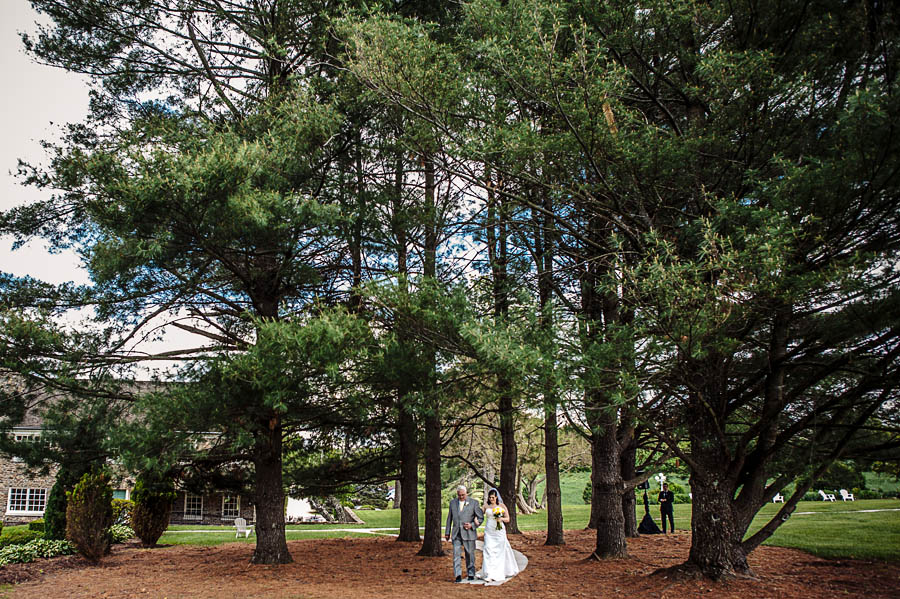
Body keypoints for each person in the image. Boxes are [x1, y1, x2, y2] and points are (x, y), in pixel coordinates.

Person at [477, 488, 520, 582]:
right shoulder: (486, 506)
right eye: (490, 497)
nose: (491, 499)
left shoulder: (502, 506)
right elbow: (479, 514)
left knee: (499, 551)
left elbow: (508, 518)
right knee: (488, 549)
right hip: (489, 531)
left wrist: (501, 519)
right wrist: (475, 520)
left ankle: (499, 571)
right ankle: (488, 573)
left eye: (493, 497)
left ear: (496, 497)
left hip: (499, 531)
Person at [445, 485, 483, 582]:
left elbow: (480, 518)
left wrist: (472, 525)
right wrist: (447, 532)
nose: (461, 497)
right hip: (456, 533)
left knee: (470, 554)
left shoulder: (474, 503)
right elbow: (449, 518)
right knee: (456, 554)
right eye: (459, 495)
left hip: (468, 533)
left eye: (463, 495)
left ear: (466, 493)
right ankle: (458, 574)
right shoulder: (453, 503)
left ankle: (471, 573)